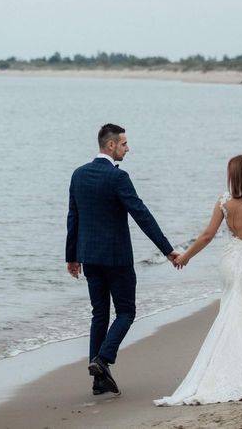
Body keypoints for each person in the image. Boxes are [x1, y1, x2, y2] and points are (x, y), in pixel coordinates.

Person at [154, 154, 242, 406]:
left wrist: (185, 257)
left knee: (229, 312)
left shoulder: (224, 202)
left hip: (229, 263)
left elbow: (207, 235)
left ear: (233, 177)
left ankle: (225, 367)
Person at [66, 123, 180, 396]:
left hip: (90, 257)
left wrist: (72, 256)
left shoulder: (78, 175)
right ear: (110, 146)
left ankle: (98, 381)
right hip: (116, 258)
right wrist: (167, 249)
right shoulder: (118, 177)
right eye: (124, 144)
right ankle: (102, 361)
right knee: (127, 311)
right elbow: (141, 214)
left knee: (100, 314)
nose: (128, 148)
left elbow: (73, 218)